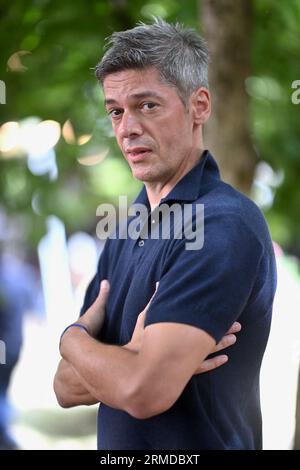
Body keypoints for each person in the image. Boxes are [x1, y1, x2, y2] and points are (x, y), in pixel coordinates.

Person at [54, 18, 277, 450]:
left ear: (200, 106)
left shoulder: (224, 224)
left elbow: (143, 391)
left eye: (147, 105)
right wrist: (128, 356)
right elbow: (64, 387)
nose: (126, 127)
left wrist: (72, 338)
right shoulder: (125, 225)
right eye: (116, 110)